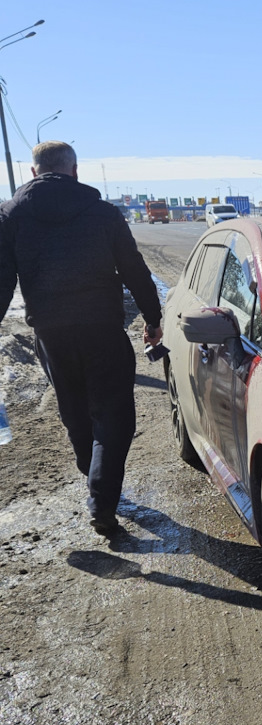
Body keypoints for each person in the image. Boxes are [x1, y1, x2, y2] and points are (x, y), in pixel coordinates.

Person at [0, 141, 163, 536]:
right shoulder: (102, 212)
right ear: (75, 170)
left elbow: (2, 280)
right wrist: (153, 319)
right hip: (103, 330)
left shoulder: (9, 215)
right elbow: (134, 270)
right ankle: (102, 498)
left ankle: (94, 481)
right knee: (114, 417)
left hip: (51, 333)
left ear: (34, 172)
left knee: (74, 411)